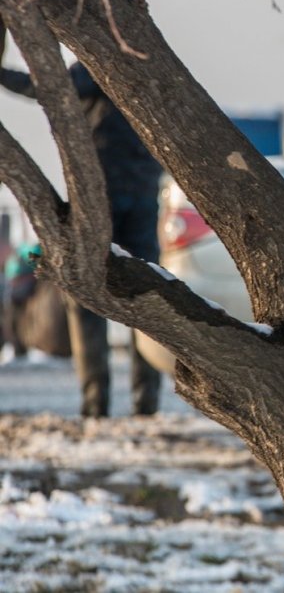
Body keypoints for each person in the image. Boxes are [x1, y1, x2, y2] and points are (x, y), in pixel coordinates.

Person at [0, 53, 165, 417]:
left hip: (99, 196)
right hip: (142, 191)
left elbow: (49, 87)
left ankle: (96, 405)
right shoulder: (150, 65)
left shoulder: (100, 59)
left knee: (88, 295)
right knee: (149, 298)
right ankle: (145, 403)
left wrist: (3, 75)